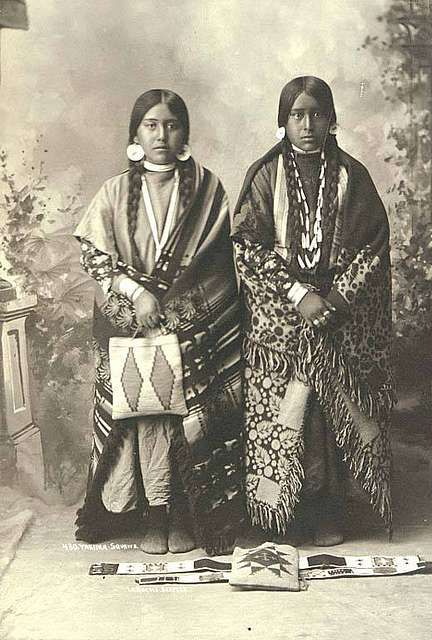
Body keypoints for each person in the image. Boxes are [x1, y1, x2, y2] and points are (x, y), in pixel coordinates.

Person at [74, 89, 243, 555]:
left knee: (184, 418)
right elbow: (95, 256)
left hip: (190, 326)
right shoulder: (114, 192)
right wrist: (137, 295)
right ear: (136, 134)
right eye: (151, 125)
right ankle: (153, 514)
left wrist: (178, 314)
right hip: (134, 324)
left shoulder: (208, 189)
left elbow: (217, 266)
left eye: (171, 124)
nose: (161, 134)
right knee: (143, 414)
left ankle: (185, 514)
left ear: (184, 132)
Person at [231, 76, 395, 546]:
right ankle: (283, 514)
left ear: (331, 120)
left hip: (339, 313)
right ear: (283, 121)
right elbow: (248, 246)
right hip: (283, 315)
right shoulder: (265, 176)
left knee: (331, 409)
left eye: (317, 115)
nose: (307, 125)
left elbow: (373, 245)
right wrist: (298, 295)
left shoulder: (352, 176)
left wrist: (336, 299)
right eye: (297, 115)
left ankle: (330, 510)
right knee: (288, 411)